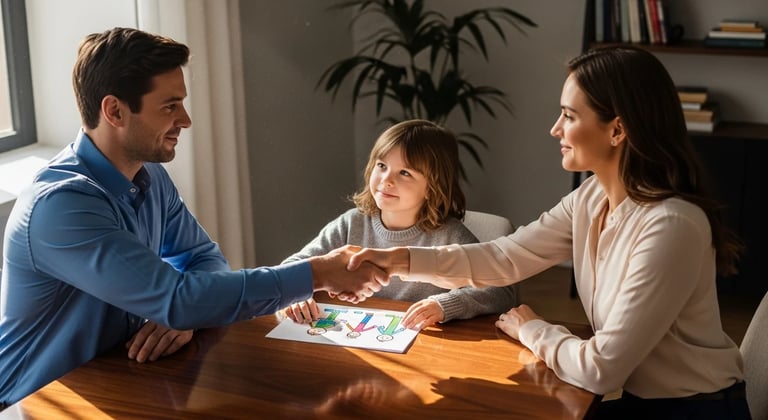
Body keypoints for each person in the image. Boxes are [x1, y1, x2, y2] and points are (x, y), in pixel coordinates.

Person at [346, 46, 751, 419]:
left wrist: (533, 329)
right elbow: (503, 258)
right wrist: (395, 260)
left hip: (697, 411)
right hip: (642, 402)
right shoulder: (591, 197)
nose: (556, 129)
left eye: (569, 116)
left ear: (617, 130)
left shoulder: (671, 226)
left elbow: (600, 369)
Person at [0, 27, 387, 407]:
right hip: (36, 401)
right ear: (114, 111)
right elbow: (178, 298)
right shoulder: (62, 206)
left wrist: (184, 315)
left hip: (117, 381)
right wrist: (315, 274)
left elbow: (203, 258)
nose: (185, 120)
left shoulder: (150, 175)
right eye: (169, 106)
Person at [279, 119, 517, 330]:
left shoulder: (449, 235)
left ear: (433, 186)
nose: (387, 180)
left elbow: (501, 291)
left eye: (405, 173)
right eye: (382, 166)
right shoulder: (351, 223)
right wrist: (296, 293)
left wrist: (444, 305)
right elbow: (292, 265)